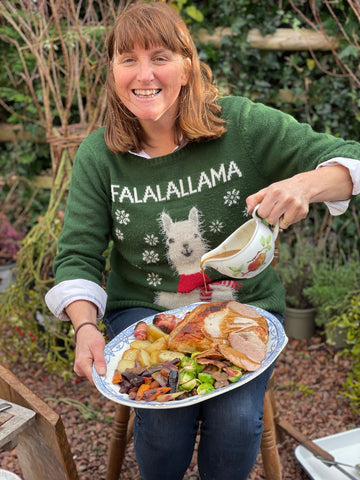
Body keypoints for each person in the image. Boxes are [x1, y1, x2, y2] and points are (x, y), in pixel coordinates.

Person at [45, 2, 360, 479]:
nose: (144, 74)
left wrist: (305, 186)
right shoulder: (99, 156)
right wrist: (85, 326)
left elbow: (350, 159)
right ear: (112, 72)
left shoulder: (242, 125)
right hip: (145, 313)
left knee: (235, 419)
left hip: (244, 308)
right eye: (127, 59)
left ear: (188, 65)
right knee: (164, 418)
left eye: (160, 56)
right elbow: (78, 255)